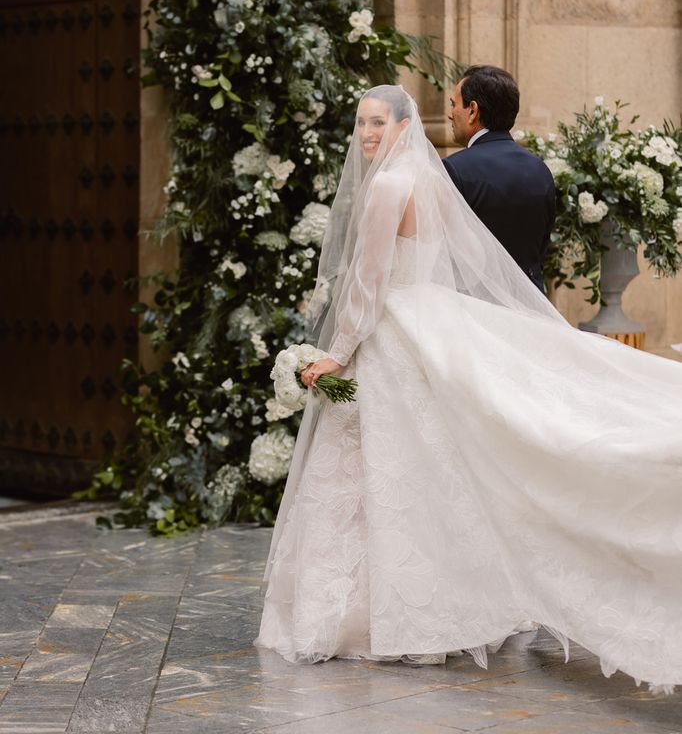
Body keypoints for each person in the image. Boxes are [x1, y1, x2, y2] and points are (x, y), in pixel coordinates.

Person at [256, 84, 682, 693]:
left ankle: (369, 616)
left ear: (405, 125)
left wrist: (335, 353)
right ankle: (436, 611)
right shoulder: (432, 182)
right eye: (360, 124)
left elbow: (370, 284)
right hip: (430, 322)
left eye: (378, 123)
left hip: (391, 335)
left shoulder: (387, 187)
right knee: (428, 475)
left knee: (380, 473)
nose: (367, 134)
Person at [443, 65, 555, 292]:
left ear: (473, 111)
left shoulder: (455, 168)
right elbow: (541, 247)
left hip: (478, 309)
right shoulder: (540, 169)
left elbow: (446, 253)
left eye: (454, 105)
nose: (449, 113)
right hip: (532, 306)